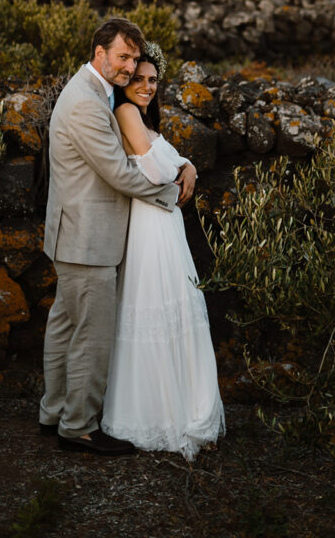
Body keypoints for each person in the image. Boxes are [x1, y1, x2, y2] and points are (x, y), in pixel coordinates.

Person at [39, 18, 195, 456]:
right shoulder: (85, 103)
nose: (129, 67)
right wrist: (169, 195)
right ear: (99, 52)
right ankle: (79, 427)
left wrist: (182, 164)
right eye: (123, 57)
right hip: (87, 237)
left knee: (66, 326)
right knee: (91, 334)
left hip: (76, 233)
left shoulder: (96, 92)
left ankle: (54, 412)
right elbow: (117, 172)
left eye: (134, 58)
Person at [101, 41, 225, 460]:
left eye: (153, 80)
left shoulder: (145, 120)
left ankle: (183, 406)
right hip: (149, 227)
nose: (147, 86)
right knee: (154, 309)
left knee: (175, 312)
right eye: (138, 78)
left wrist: (187, 164)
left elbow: (161, 160)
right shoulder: (125, 112)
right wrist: (183, 168)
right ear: (124, 80)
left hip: (164, 224)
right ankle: (156, 415)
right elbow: (155, 169)